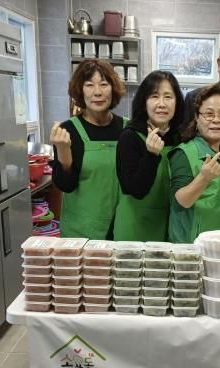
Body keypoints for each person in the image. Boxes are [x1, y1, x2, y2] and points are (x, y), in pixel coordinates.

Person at [49, 60, 126, 239]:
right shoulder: (67, 130)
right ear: (80, 90)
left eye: (104, 84)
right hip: (81, 232)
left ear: (113, 89)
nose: (97, 92)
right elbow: (65, 185)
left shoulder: (127, 129)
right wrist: (63, 150)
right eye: (89, 85)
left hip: (121, 228)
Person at [113, 71, 184, 241]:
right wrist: (151, 155)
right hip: (135, 226)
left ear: (177, 102)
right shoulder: (130, 136)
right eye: (154, 96)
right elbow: (135, 189)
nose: (162, 104)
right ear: (144, 103)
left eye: (168, 97)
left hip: (171, 224)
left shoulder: (180, 138)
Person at [169, 85, 220, 243]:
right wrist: (204, 178)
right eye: (209, 114)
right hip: (190, 245)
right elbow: (182, 201)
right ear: (197, 117)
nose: (216, 120)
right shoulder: (184, 153)